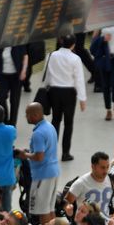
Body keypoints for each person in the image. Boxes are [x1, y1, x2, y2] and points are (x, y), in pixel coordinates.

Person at [44, 34, 88, 162]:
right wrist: (82, 99)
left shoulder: (51, 55)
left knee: (55, 121)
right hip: (69, 93)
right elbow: (79, 79)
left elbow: (47, 74)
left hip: (54, 91)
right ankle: (65, 153)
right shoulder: (75, 59)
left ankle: (51, 152)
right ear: (73, 45)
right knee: (68, 123)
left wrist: (45, 87)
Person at [17, 103, 60, 225]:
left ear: (35, 115)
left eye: (28, 114)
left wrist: (25, 155)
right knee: (51, 209)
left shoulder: (38, 133)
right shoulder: (50, 127)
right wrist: (30, 153)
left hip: (43, 175)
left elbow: (39, 157)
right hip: (53, 172)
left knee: (42, 211)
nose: (26, 117)